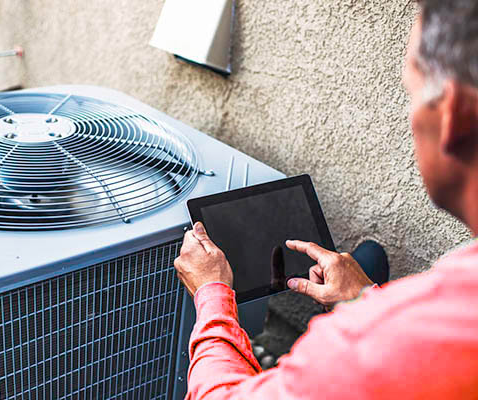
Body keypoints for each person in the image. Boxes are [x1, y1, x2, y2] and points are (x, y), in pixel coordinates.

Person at [173, 1, 478, 398]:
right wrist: (366, 296)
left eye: (412, 93)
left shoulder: (365, 348)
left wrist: (212, 293)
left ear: (451, 114)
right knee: (367, 262)